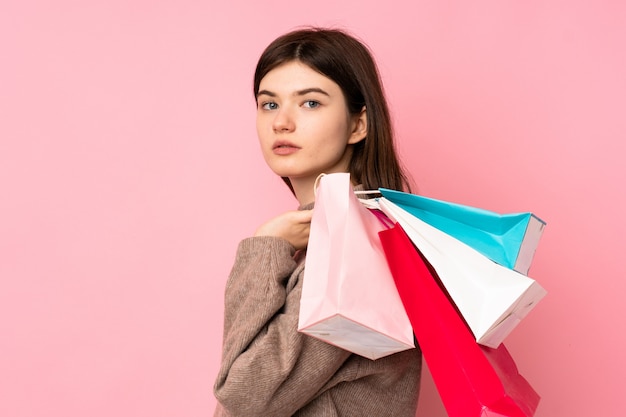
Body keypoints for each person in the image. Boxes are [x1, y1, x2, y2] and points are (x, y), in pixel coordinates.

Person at [213, 27, 422, 417]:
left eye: (310, 103)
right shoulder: (343, 236)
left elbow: (244, 398)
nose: (282, 122)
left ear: (359, 124)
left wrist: (263, 245)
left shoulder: (356, 249)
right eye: (269, 104)